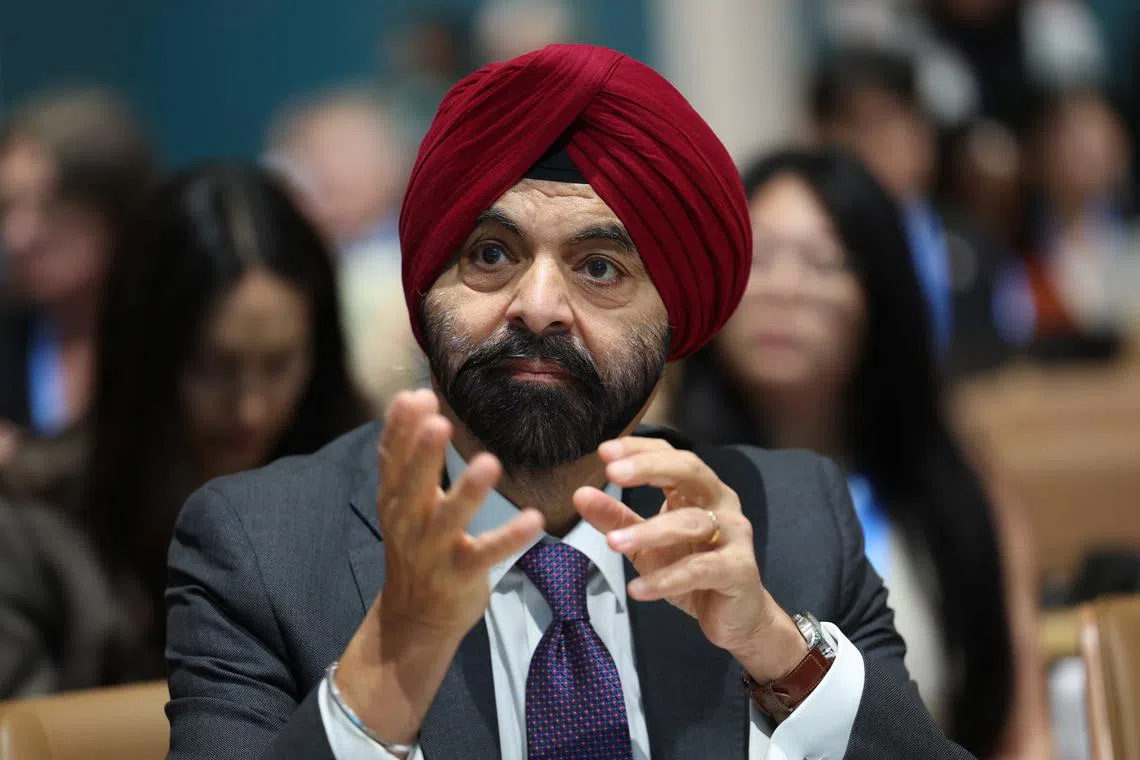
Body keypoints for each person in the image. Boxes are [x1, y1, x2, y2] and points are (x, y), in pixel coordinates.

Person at [165, 45, 976, 760]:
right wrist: (392, 663)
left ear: (673, 321)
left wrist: (775, 651)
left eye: (600, 268)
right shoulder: (258, 549)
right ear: (425, 286)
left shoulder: (792, 522)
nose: (539, 305)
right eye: (490, 253)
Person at [673, 148, 1051, 759]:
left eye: (824, 262)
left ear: (880, 294)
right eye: (761, 258)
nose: (786, 290)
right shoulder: (671, 486)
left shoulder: (954, 492)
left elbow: (1021, 731)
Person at [84, 162, 368, 681]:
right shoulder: (41, 523)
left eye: (279, 364)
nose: (250, 407)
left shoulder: (375, 488)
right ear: (146, 350)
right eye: (216, 367)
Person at [810, 47, 1017, 376]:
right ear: (821, 138)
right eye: (859, 125)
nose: (879, 142)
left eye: (894, 119)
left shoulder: (974, 241)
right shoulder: (811, 249)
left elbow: (1014, 351)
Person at [0, 88, 156, 439]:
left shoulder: (174, 341)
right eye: (8, 206)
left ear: (114, 209)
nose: (17, 236)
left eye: (49, 206)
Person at [266, 87, 422, 410]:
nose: (328, 171)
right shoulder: (285, 256)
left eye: (347, 152)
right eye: (311, 154)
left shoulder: (411, 258)